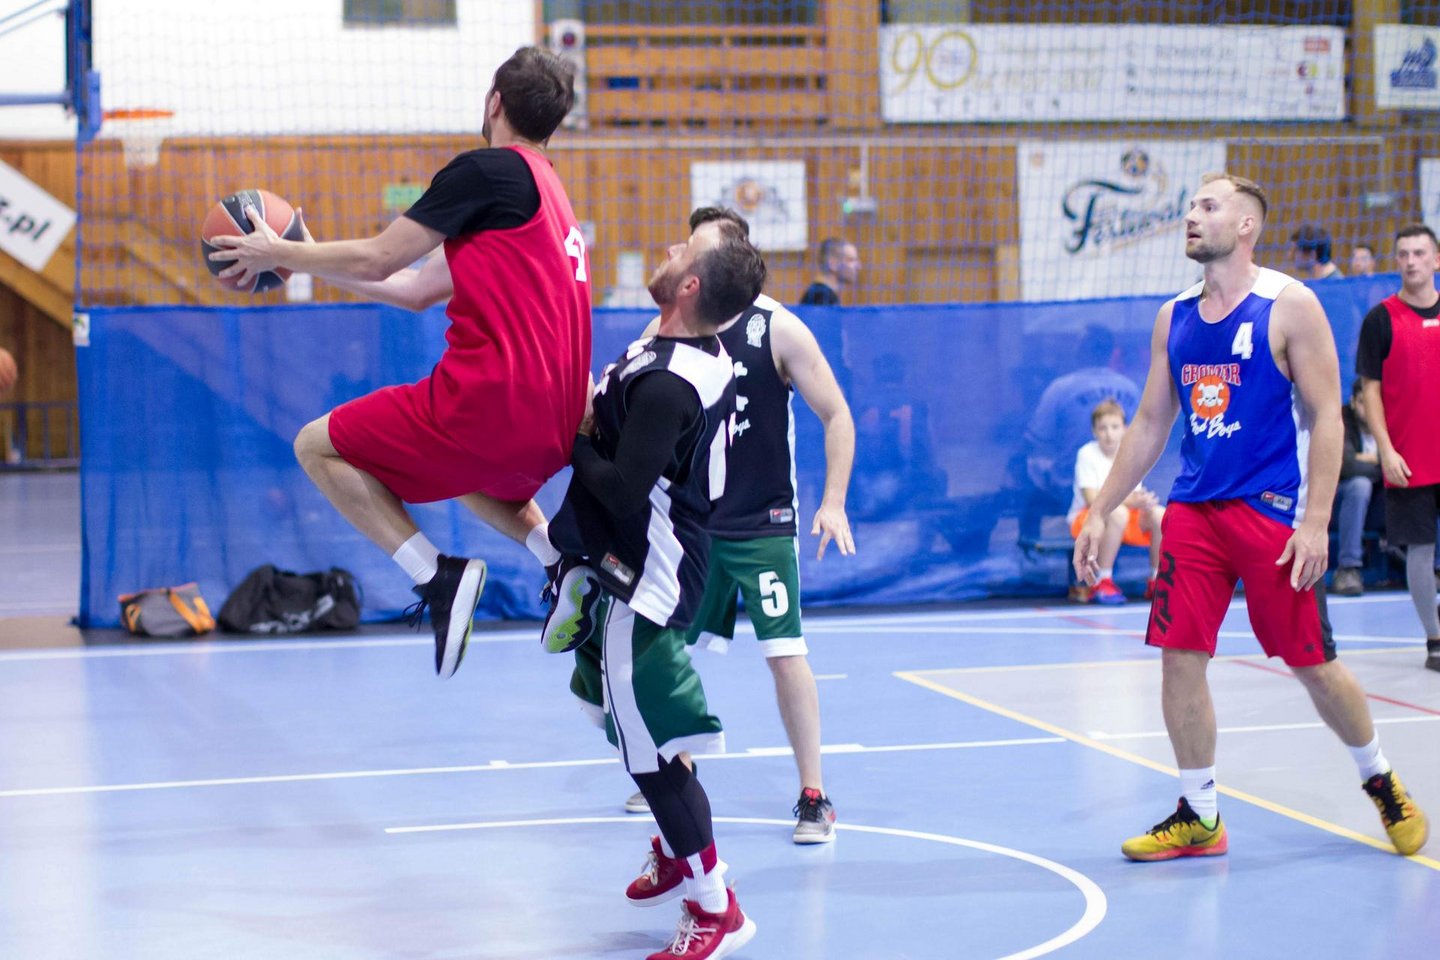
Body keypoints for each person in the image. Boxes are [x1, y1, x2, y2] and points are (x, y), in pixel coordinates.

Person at [1075, 172, 1429, 861]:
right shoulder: (1174, 316)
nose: (1191, 215)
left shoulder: (1290, 305)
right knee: (1179, 658)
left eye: (1207, 206)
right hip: (1193, 511)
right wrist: (1101, 508)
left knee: (1314, 663)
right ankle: (1200, 814)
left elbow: (1329, 416)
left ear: (1246, 226)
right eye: (1190, 205)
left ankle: (1379, 777)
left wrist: (1317, 521)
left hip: (1271, 512)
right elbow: (1149, 422)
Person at [208, 47, 591, 679]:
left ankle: (436, 576)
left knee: (316, 447)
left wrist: (278, 252)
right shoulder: (548, 194)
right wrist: (305, 255)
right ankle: (559, 558)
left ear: (494, 101)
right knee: (461, 470)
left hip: (492, 402)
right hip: (556, 427)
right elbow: (413, 289)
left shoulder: (485, 171)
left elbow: (380, 257)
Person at [541, 208, 766, 959]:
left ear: (691, 284)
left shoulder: (672, 381)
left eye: (683, 249)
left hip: (649, 574)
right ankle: (676, 849)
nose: (669, 247)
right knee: (624, 721)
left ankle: (716, 908)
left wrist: (572, 434)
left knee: (650, 752)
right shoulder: (671, 344)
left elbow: (621, 489)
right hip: (641, 557)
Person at [620, 210, 856, 844]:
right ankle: (673, 768)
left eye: (700, 243)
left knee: (785, 653)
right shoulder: (667, 326)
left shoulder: (778, 327)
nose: (685, 250)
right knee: (659, 649)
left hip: (762, 526)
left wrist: (833, 501)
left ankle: (814, 795)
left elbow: (837, 414)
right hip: (689, 527)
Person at [1356, 223, 1440, 671]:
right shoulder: (1380, 320)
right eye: (1404, 254)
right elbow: (1370, 390)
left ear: (1436, 260)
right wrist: (1386, 450)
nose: (1411, 261)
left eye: (1420, 253)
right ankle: (1435, 639)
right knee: (1420, 551)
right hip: (1409, 459)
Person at [1020, 325, 1141, 538]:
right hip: (1118, 485)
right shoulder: (1130, 388)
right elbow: (1142, 439)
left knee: (1028, 499)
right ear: (1109, 352)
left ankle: (1030, 551)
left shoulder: (1060, 388)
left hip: (1067, 486)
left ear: (1080, 351)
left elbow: (1035, 439)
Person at [1067, 399, 1164, 605]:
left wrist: (1144, 501)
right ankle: (1102, 581)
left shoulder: (1130, 453)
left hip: (1124, 516)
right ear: (1094, 431)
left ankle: (1157, 580)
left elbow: (1134, 496)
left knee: (1159, 514)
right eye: (1103, 428)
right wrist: (1131, 501)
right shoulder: (1087, 454)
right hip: (1088, 520)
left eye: (1114, 427)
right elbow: (1092, 500)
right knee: (1118, 512)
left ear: (1125, 429)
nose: (1109, 434)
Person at [1330, 378, 1384, 596]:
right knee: (1359, 485)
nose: (1370, 409)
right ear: (1353, 402)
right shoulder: (1340, 420)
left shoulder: (1390, 422)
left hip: (1377, 507)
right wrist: (1383, 464)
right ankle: (1348, 569)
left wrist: (1369, 461)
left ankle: (1431, 565)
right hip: (1339, 505)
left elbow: (1406, 466)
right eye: (1364, 402)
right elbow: (1347, 465)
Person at [798, 237, 860, 305]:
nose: (858, 266)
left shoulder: (821, 294)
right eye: (851, 260)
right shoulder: (822, 297)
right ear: (833, 263)